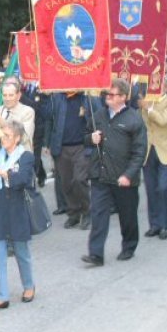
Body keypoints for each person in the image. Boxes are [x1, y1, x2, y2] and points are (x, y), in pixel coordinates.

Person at [82, 79, 147, 266]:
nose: (108, 98)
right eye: (107, 94)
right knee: (98, 215)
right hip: (100, 174)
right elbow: (85, 137)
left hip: (123, 177)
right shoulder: (99, 115)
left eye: (112, 95)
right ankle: (96, 254)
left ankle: (129, 246)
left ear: (124, 97)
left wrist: (128, 175)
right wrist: (91, 138)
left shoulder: (134, 119)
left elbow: (139, 152)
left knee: (127, 215)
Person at [0, 119, 36, 312]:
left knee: (21, 251)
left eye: (8, 136)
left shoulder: (26, 157)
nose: (4, 138)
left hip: (17, 209)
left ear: (18, 138)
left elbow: (23, 180)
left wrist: (2, 173)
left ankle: (28, 286)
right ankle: (2, 296)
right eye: (2, 135)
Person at [47, 91, 99, 229]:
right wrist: (48, 143)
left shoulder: (88, 98)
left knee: (79, 179)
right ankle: (73, 213)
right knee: (66, 183)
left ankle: (86, 211)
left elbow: (98, 118)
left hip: (82, 146)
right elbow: (49, 119)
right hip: (61, 147)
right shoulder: (56, 98)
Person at [139, 80, 167, 239]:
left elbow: (164, 121)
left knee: (163, 188)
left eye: (157, 83)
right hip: (149, 150)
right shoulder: (146, 101)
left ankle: (164, 225)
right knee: (150, 189)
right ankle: (154, 225)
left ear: (165, 86)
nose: (154, 86)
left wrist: (148, 108)